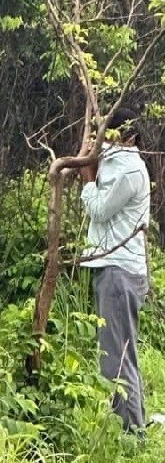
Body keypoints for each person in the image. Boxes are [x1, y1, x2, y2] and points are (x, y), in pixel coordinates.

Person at [79, 106, 151, 433]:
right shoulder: (116, 160)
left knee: (117, 361)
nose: (105, 140)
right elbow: (95, 153)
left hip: (119, 273)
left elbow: (100, 209)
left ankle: (132, 434)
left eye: (112, 133)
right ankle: (132, 426)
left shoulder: (128, 171)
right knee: (119, 356)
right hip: (114, 271)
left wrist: (88, 179)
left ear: (130, 136)